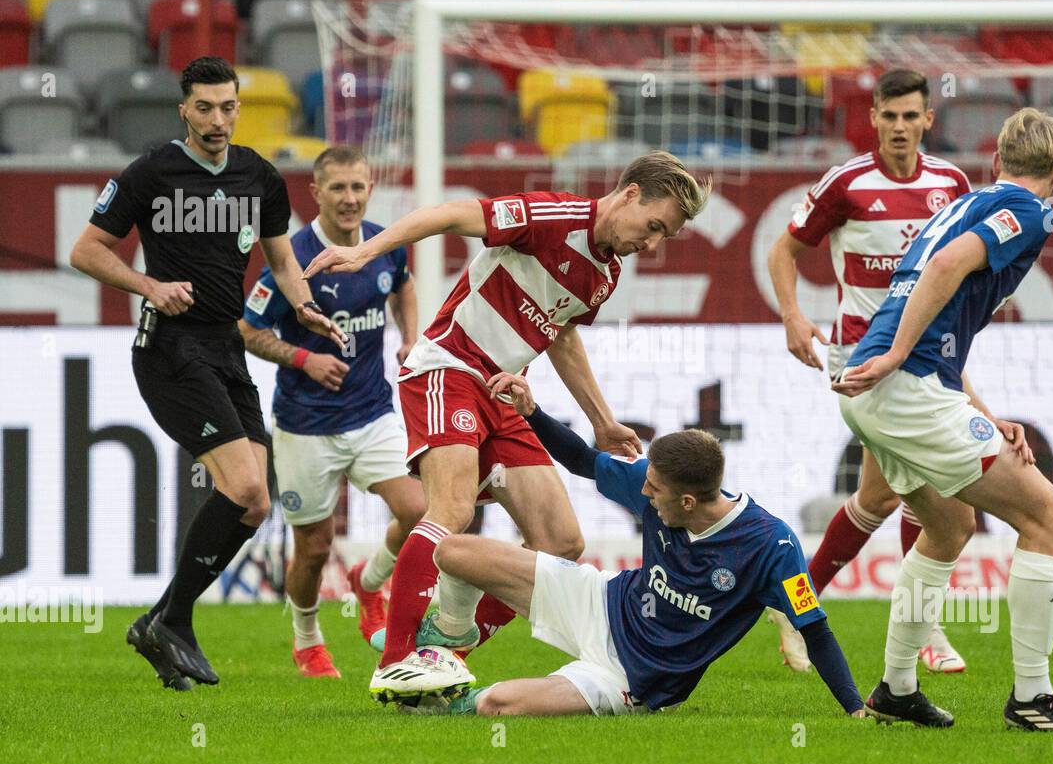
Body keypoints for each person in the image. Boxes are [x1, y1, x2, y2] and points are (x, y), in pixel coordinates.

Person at [301, 152, 711, 698]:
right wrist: (365, 250)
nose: (653, 244)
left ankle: (442, 651)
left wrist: (602, 421)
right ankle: (396, 662)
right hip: (449, 366)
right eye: (654, 226)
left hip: (504, 392)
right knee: (451, 510)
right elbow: (450, 214)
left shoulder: (605, 272)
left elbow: (561, 334)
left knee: (561, 541)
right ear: (631, 194)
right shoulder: (552, 217)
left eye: (665, 237)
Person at [69, 56, 343, 690]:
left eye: (228, 107)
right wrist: (147, 285)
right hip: (169, 348)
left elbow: (281, 258)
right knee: (245, 487)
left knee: (255, 506)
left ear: (239, 107)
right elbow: (84, 249)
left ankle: (162, 623)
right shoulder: (150, 172)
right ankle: (175, 619)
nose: (218, 120)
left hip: (226, 348)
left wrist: (303, 307)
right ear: (183, 110)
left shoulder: (259, 176)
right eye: (205, 108)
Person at [375, 370, 868, 720]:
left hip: (633, 677)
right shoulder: (654, 485)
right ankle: (444, 650)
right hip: (601, 600)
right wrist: (532, 411)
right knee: (453, 552)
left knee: (495, 705)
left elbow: (816, 630)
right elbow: (583, 460)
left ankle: (443, 699)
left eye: (655, 490)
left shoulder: (772, 546)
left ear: (691, 502)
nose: (644, 493)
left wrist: (855, 708)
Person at [834, 108, 1053, 731]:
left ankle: (895, 690)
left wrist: (985, 415)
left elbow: (935, 309)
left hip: (877, 389)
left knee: (947, 528)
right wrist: (896, 357)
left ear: (996, 159)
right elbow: (946, 271)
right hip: (901, 383)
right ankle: (1032, 698)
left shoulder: (964, 204)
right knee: (1050, 518)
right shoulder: (1029, 212)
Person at [768, 68, 973, 674]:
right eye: (891, 116)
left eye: (913, 116)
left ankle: (795, 602)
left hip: (924, 355)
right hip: (861, 359)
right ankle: (926, 632)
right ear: (874, 119)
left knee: (881, 496)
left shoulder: (952, 183)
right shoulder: (848, 183)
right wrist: (791, 317)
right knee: (926, 492)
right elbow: (784, 249)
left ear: (928, 120)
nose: (901, 127)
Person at [239, 145, 426, 677]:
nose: (350, 199)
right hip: (306, 424)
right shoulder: (290, 258)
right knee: (315, 547)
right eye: (338, 189)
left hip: (372, 412)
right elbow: (247, 329)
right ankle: (307, 639)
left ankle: (369, 583)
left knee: (422, 512)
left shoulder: (384, 245)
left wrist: (409, 339)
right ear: (316, 193)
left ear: (370, 190)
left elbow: (404, 286)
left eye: (358, 187)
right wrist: (305, 358)